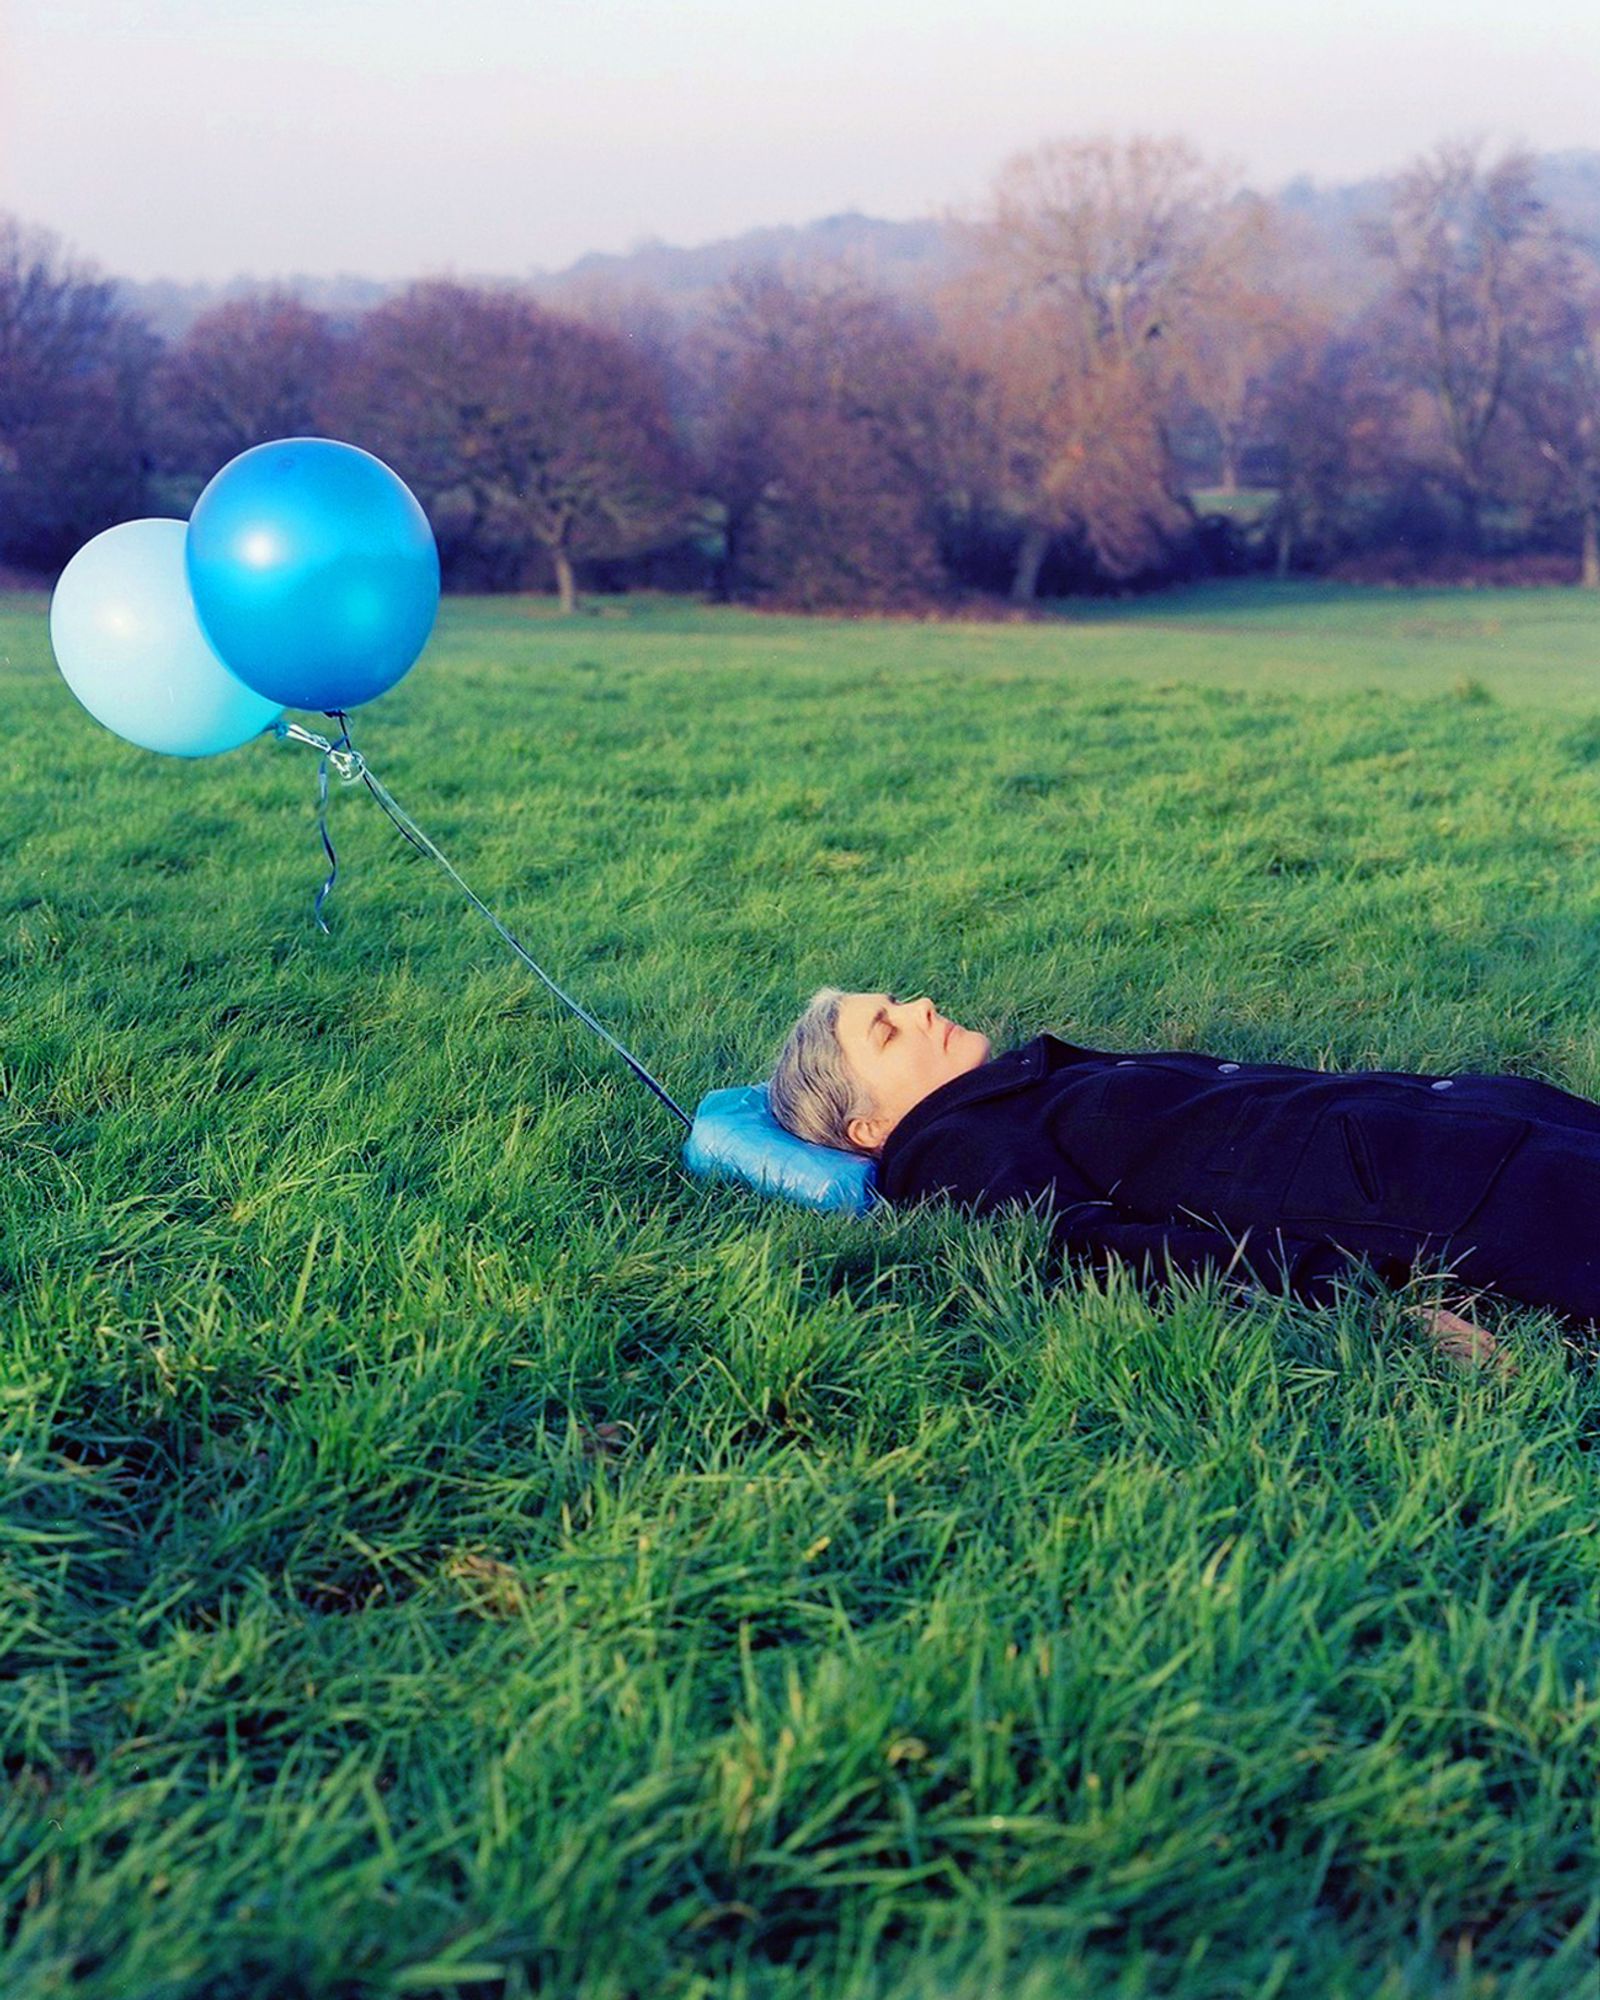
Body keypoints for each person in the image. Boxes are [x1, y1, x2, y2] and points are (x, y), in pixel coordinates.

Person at [767, 989, 1600, 1377]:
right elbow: (1097, 1251)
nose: (918, 1007)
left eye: (897, 1002)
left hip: (1458, 1130)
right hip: (1449, 1192)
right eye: (887, 1029)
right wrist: (1366, 1299)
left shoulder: (1000, 1096)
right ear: (869, 1130)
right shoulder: (951, 1147)